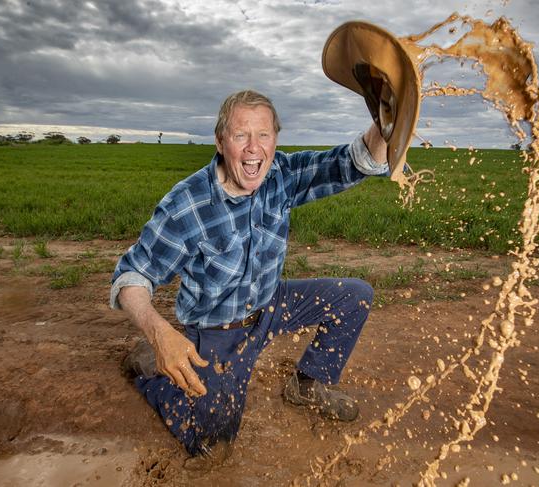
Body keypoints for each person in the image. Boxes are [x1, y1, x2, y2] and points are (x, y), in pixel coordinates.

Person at [110, 89, 388, 459]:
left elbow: (352, 163)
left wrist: (385, 124)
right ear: (221, 140)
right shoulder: (187, 204)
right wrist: (160, 335)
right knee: (212, 446)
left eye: (264, 135)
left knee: (354, 296)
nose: (254, 149)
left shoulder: (282, 175)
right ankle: (150, 372)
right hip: (219, 333)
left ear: (275, 138)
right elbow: (131, 276)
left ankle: (307, 385)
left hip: (271, 304)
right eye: (241, 135)